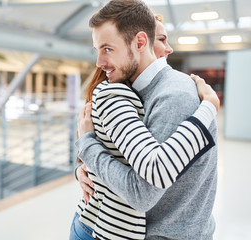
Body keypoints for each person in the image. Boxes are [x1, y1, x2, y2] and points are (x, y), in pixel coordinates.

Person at [72, 0, 218, 239]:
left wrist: (88, 145)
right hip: (101, 221)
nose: (99, 62)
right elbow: (102, 141)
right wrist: (82, 166)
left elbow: (143, 193)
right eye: (98, 50)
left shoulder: (174, 96)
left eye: (107, 49)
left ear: (140, 42)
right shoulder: (126, 86)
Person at [75, 13, 174, 204]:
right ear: (140, 43)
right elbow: (87, 144)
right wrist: (81, 167)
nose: (169, 49)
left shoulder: (166, 92)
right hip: (100, 220)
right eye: (161, 39)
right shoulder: (111, 94)